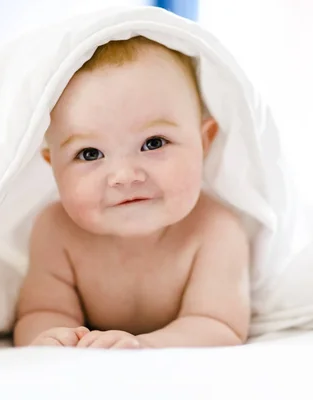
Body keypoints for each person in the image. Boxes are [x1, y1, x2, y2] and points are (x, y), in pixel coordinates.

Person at [13, 36, 250, 349]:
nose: (124, 177)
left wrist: (146, 346)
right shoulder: (56, 232)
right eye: (89, 153)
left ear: (204, 142)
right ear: (53, 165)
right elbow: (41, 311)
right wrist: (51, 337)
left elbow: (219, 324)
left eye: (153, 143)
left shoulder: (215, 231)